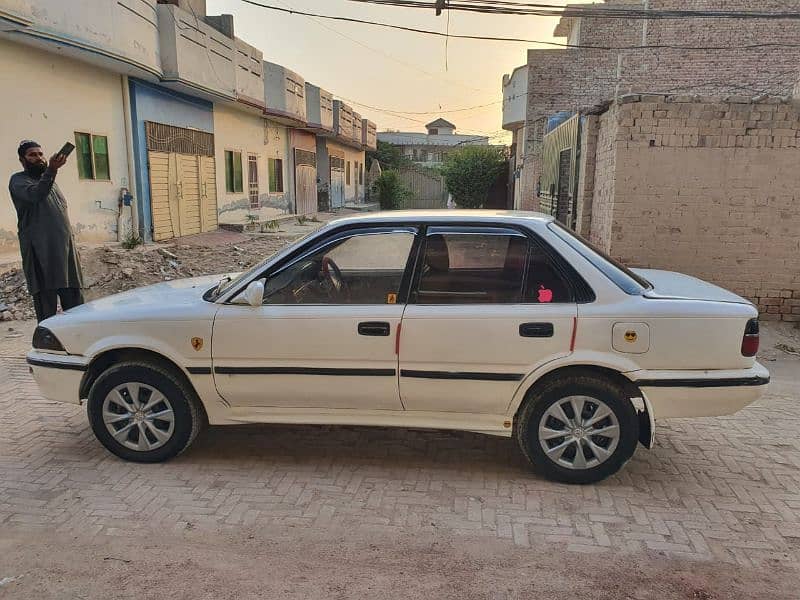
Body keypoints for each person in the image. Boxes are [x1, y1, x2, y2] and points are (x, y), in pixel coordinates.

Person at [8, 140, 84, 322]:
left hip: (65, 254)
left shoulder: (51, 181)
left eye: (40, 154)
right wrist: (52, 170)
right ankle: (50, 348)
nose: (39, 158)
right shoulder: (18, 180)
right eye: (32, 155)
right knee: (47, 312)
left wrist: (50, 172)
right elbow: (36, 194)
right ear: (22, 160)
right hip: (41, 254)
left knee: (78, 310)